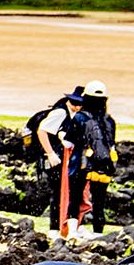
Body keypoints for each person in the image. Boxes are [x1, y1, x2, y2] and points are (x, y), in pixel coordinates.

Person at [31, 87, 84, 236]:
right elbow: (42, 131)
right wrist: (50, 154)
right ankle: (54, 228)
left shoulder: (73, 113)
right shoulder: (60, 112)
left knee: (66, 192)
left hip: (64, 158)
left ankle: (64, 227)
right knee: (57, 192)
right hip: (56, 159)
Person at [67, 82, 116, 236]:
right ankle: (98, 233)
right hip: (104, 165)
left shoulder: (80, 117)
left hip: (81, 164)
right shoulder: (110, 121)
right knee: (99, 202)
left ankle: (72, 232)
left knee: (74, 198)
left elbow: (69, 141)